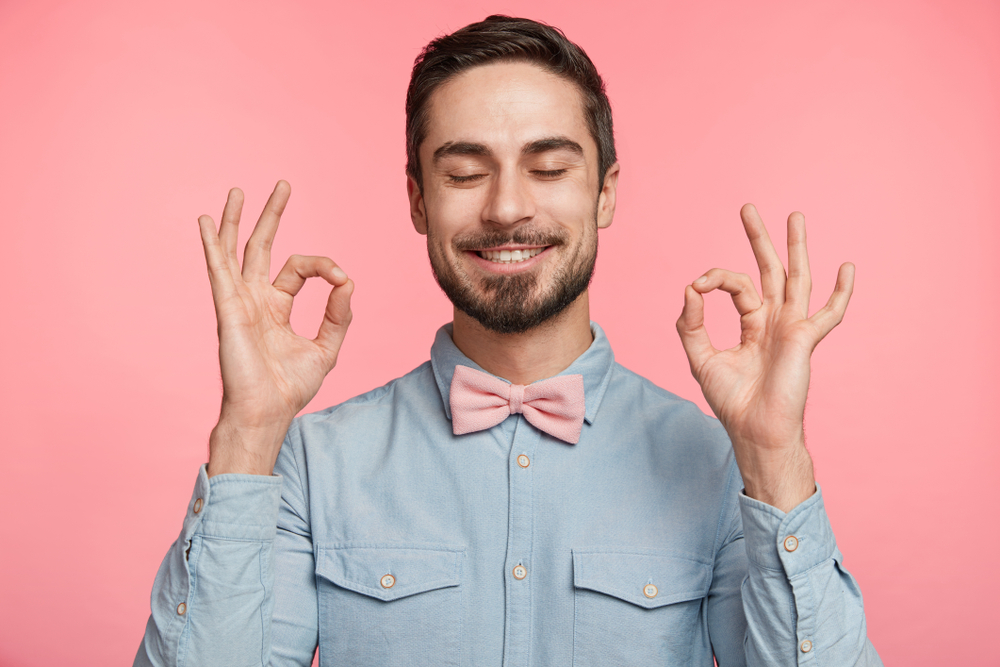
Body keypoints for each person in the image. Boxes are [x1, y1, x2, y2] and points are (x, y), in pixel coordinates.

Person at [135, 15, 882, 667]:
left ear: (606, 190)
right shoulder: (304, 462)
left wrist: (777, 460)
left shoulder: (722, 464)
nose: (508, 206)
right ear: (417, 200)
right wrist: (246, 437)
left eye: (549, 167)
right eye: (465, 172)